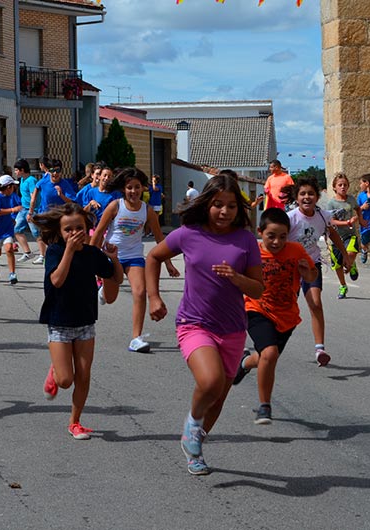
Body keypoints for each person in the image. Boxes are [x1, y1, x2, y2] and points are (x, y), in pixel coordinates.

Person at [146, 172, 264, 475]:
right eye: (217, 204)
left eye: (231, 206)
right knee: (209, 382)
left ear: (239, 208)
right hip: (194, 323)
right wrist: (154, 297)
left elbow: (258, 289)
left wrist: (237, 279)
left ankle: (195, 448)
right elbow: (154, 257)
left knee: (219, 397)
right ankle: (192, 425)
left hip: (234, 328)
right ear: (206, 204)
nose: (224, 211)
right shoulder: (189, 233)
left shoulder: (246, 240)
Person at [33, 202, 123, 439]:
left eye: (79, 228)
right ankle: (56, 370)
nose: (74, 234)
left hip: (85, 322)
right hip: (59, 322)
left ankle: (75, 421)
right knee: (65, 380)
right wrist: (70, 251)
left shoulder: (93, 254)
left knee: (83, 375)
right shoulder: (54, 252)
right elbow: (57, 280)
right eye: (68, 230)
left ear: (87, 228)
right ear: (60, 233)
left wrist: (113, 258)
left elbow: (116, 278)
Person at [232, 208, 316, 424]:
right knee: (269, 354)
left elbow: (312, 274)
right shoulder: (252, 254)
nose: (277, 242)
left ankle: (243, 363)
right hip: (256, 310)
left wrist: (308, 272)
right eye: (271, 236)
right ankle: (264, 406)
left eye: (282, 237)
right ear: (260, 232)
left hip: (287, 316)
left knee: (266, 357)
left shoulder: (296, 251)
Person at [90, 167, 179, 353]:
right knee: (110, 298)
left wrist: (169, 263)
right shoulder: (115, 206)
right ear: (124, 189)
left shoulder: (147, 211)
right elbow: (98, 232)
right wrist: (89, 257)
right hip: (112, 256)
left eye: (137, 187)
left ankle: (136, 338)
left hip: (134, 257)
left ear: (143, 189)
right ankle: (103, 292)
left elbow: (159, 239)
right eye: (129, 187)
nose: (133, 191)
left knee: (140, 292)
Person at [288, 177, 349, 367]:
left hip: (312, 264)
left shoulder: (323, 216)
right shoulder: (290, 218)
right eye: (303, 194)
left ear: (317, 196)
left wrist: (345, 255)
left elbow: (333, 233)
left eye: (311, 193)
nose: (307, 197)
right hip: (290, 268)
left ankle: (320, 348)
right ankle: (271, 342)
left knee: (315, 303)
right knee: (287, 307)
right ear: (296, 197)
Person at [30, 159, 76, 265]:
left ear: (61, 171)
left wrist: (61, 195)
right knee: (47, 238)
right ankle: (49, 256)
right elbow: (35, 194)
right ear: (48, 171)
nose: (55, 173)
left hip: (60, 217)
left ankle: (59, 258)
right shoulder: (43, 182)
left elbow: (73, 201)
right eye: (52, 171)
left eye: (58, 170)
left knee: (58, 239)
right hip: (46, 216)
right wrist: (30, 212)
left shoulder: (64, 184)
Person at [323, 172, 359, 299]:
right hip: (336, 237)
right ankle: (343, 285)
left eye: (345, 185)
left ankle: (351, 263)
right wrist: (346, 222)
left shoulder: (351, 199)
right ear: (334, 187)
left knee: (351, 253)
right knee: (337, 265)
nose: (343, 187)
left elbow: (357, 208)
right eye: (340, 185)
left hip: (350, 235)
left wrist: (361, 219)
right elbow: (331, 220)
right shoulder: (331, 204)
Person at [0, 175, 23, 285]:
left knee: (9, 249)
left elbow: (18, 207)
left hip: (7, 229)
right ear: (8, 187)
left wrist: (13, 218)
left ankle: (12, 274)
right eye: (12, 186)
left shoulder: (11, 196)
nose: (14, 189)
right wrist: (12, 210)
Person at [12, 159, 39, 262]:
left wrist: (31, 212)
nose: (15, 172)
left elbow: (33, 197)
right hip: (23, 209)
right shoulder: (22, 180)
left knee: (36, 233)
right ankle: (27, 252)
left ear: (22, 170)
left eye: (16, 170)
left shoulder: (31, 180)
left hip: (31, 210)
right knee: (16, 230)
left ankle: (43, 255)